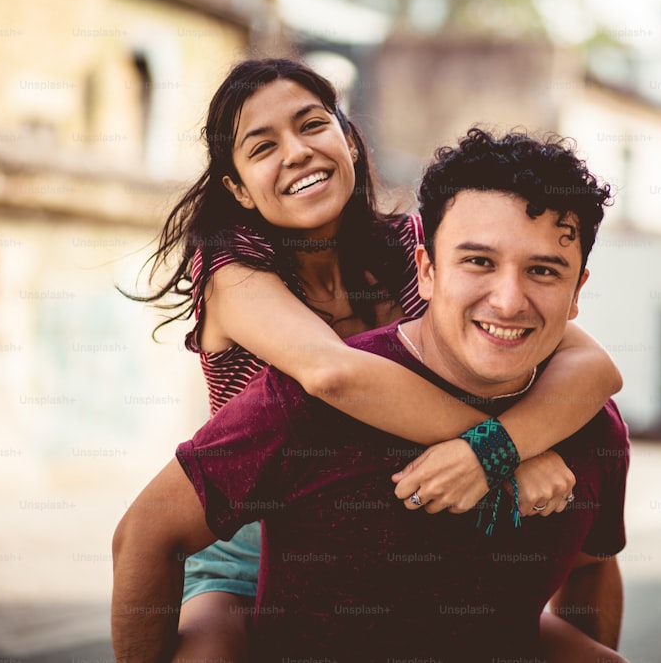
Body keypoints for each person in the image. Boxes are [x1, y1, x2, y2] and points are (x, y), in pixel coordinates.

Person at [127, 58, 622, 660]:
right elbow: (333, 374)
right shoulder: (235, 271)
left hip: (393, 510)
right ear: (236, 187)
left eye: (312, 125)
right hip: (247, 532)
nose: (297, 152)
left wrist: (505, 446)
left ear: (349, 141)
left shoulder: (406, 245)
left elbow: (594, 366)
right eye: (262, 147)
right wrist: (501, 451)